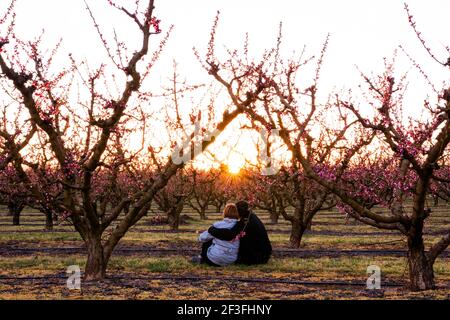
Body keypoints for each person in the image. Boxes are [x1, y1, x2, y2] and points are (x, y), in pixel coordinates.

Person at [208, 200, 272, 265]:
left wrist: (211, 229)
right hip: (263, 255)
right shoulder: (251, 217)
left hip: (257, 258)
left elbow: (229, 235)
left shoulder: (245, 221)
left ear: (238, 211)